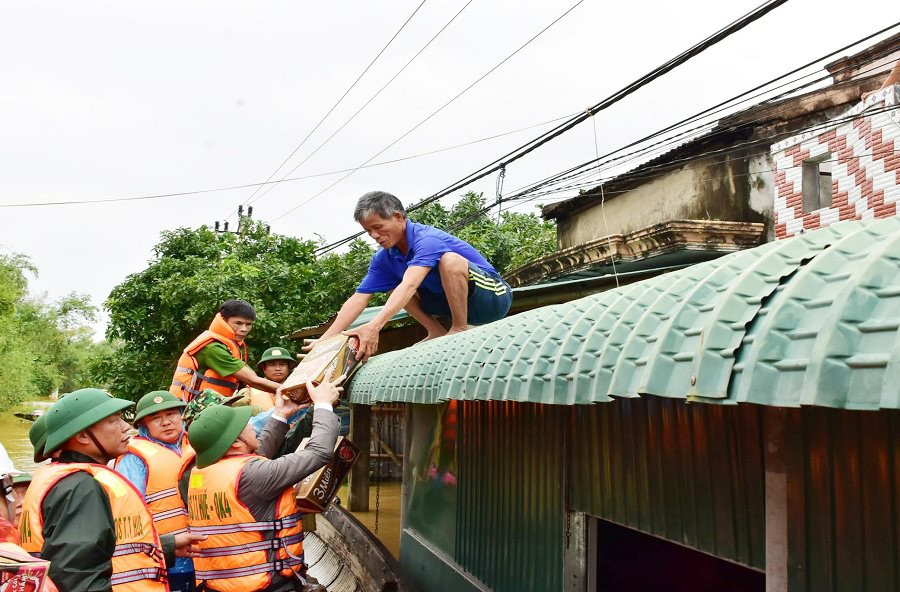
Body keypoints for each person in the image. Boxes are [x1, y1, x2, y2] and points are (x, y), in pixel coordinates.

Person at [18, 387, 205, 592]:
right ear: (83, 437)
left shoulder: (59, 477)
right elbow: (78, 579)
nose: (126, 427)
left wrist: (167, 547)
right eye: (113, 420)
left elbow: (97, 551)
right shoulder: (81, 487)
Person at [186, 376, 342, 592]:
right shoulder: (253, 476)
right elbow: (319, 452)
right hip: (267, 587)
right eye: (246, 425)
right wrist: (324, 405)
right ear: (236, 442)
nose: (252, 425)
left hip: (220, 586)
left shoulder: (202, 473)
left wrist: (281, 415)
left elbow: (256, 459)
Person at [317, 191, 512, 361]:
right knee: (393, 285)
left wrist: (374, 325)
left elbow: (410, 285)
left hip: (491, 297)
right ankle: (435, 331)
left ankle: (459, 328)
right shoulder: (383, 259)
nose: (374, 235)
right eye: (368, 231)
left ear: (398, 217)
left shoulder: (427, 239)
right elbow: (359, 299)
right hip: (446, 305)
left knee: (449, 261)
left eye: (378, 227)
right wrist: (323, 342)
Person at [115, 391, 197, 592]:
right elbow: (127, 515)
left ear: (181, 415)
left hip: (205, 558)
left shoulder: (198, 442)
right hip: (165, 560)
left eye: (171, 414)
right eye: (156, 418)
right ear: (143, 425)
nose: (166, 422)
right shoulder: (133, 458)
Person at [170, 300, 284, 402]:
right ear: (224, 321)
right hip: (188, 410)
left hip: (209, 408)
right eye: (238, 323)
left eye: (248, 324)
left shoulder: (229, 345)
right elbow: (253, 380)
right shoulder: (212, 348)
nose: (244, 329)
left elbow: (251, 378)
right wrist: (291, 392)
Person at [233, 346, 298, 411]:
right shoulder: (249, 392)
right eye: (272, 365)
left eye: (282, 364)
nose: (278, 368)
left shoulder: (299, 391)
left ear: (289, 368)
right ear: (264, 368)